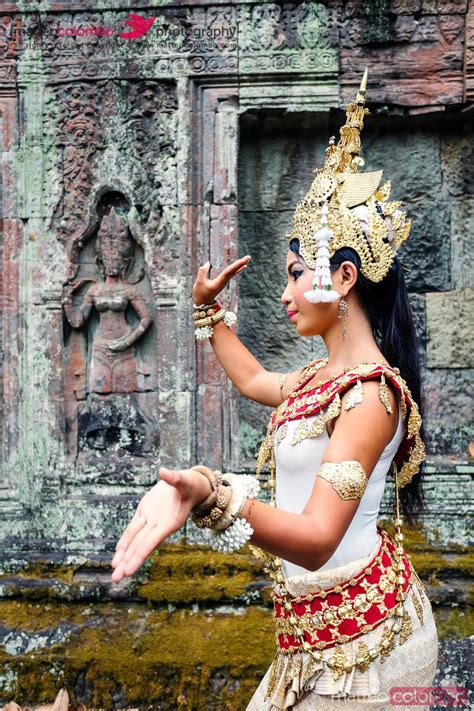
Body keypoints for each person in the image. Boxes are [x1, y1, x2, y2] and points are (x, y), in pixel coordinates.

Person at [110, 71, 439, 710]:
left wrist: (214, 495)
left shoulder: (371, 397)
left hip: (370, 650)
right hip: (308, 640)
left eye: (296, 275)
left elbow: (317, 538)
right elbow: (256, 379)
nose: (285, 293)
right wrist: (210, 314)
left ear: (344, 279)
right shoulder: (322, 380)